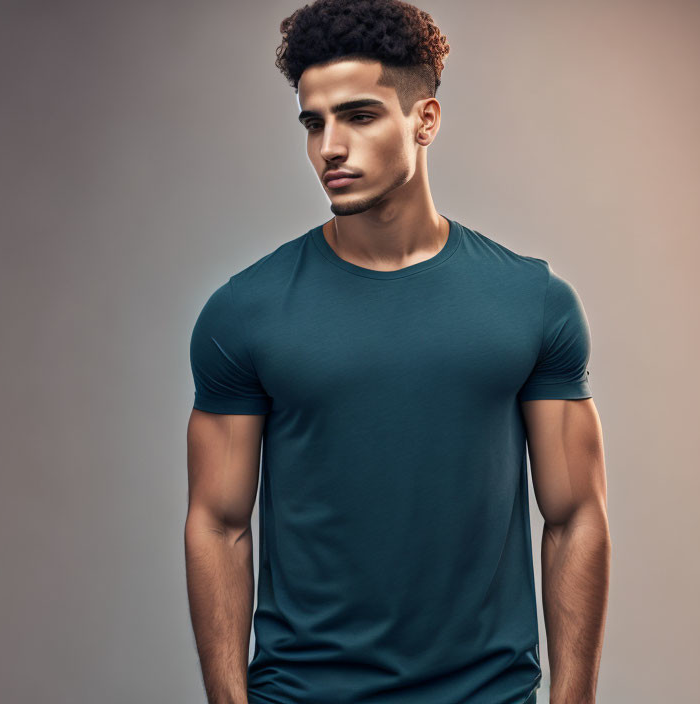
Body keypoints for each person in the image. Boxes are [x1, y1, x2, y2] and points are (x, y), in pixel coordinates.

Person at [184, 1, 610, 702]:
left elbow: (575, 516)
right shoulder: (245, 312)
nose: (329, 146)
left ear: (425, 120)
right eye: (313, 122)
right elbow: (218, 522)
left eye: (358, 115)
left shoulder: (531, 302)